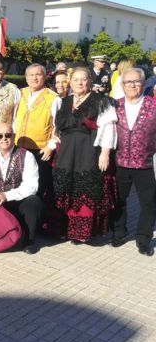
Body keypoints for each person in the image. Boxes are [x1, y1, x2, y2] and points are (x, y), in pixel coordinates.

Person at [52, 67, 117, 243]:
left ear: (90, 81)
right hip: (66, 151)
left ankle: (80, 233)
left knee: (84, 188)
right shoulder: (64, 101)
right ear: (70, 82)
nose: (80, 83)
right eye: (76, 79)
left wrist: (105, 153)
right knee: (66, 186)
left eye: (84, 79)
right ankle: (64, 229)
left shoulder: (101, 101)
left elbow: (108, 129)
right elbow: (57, 129)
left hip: (88, 149)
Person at [0, 123, 43, 254]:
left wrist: (6, 196)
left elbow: (31, 186)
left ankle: (29, 240)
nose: (4, 138)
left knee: (34, 202)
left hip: (17, 201)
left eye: (8, 135)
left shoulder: (27, 156)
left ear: (14, 136)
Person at [110, 68, 156, 256]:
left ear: (144, 83)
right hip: (119, 162)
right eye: (128, 82)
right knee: (118, 201)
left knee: (148, 203)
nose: (132, 85)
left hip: (146, 164)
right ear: (122, 85)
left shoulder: (153, 106)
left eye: (137, 81)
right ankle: (119, 232)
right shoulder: (114, 106)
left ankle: (143, 238)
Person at [13, 64, 61, 200]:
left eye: (38, 74)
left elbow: (58, 126)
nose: (34, 78)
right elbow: (13, 118)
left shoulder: (53, 98)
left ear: (45, 77)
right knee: (17, 183)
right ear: (26, 78)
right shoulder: (19, 93)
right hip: (18, 147)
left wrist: (50, 146)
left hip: (40, 150)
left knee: (38, 186)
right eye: (31, 75)